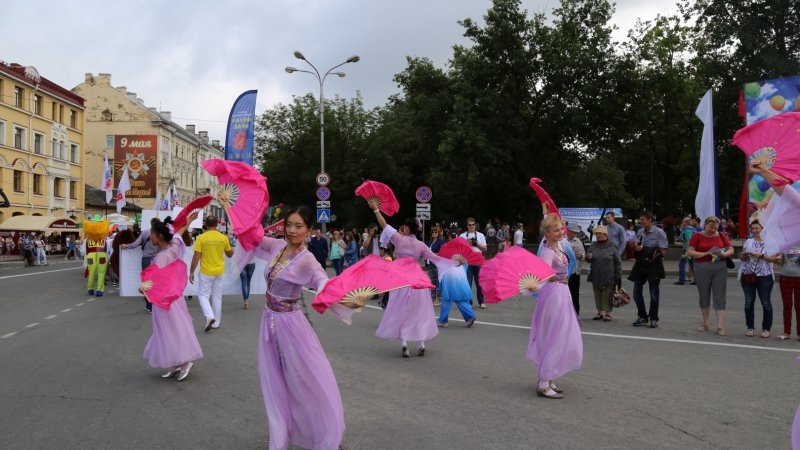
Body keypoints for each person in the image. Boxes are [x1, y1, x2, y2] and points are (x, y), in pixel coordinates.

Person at [247, 206, 344, 450]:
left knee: (304, 382)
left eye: (298, 226)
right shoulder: (277, 246)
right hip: (268, 322)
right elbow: (252, 238)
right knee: (273, 382)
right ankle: (278, 439)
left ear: (308, 230)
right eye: (288, 224)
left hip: (291, 326)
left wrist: (345, 298)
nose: (291, 230)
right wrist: (232, 208)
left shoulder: (307, 260)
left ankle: (321, 431)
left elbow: (322, 282)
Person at [369, 199, 454, 357]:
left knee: (402, 311)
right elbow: (436, 258)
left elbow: (384, 225)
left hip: (400, 280)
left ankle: (404, 343)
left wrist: (376, 210)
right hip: (417, 281)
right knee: (419, 310)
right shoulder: (421, 245)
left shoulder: (399, 240)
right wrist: (456, 261)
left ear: (407, 228)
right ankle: (421, 342)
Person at [141, 214, 203, 382]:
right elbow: (178, 234)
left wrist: (143, 288)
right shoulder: (172, 249)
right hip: (174, 299)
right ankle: (175, 363)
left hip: (165, 301)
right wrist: (188, 222)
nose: (150, 237)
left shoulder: (163, 256)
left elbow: (154, 281)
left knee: (170, 330)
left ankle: (184, 362)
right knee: (171, 329)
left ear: (159, 236)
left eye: (152, 234)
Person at [528, 213, 582, 399]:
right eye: (556, 230)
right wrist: (538, 284)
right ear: (547, 233)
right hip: (553, 296)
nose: (560, 232)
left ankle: (547, 377)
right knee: (553, 337)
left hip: (562, 294)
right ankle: (543, 382)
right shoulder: (548, 252)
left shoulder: (558, 248)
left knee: (558, 336)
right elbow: (542, 274)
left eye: (561, 229)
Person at [686, 216, 734, 336]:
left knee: (720, 295)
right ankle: (706, 323)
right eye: (711, 227)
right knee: (704, 294)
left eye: (715, 228)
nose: (713, 230)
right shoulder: (697, 236)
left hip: (719, 267)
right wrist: (706, 253)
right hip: (701, 268)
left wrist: (723, 255)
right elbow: (689, 252)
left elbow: (731, 249)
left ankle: (720, 326)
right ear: (705, 225)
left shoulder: (722, 235)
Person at [190, 216, 233, 332]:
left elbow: (196, 256)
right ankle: (216, 323)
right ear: (217, 224)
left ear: (205, 224)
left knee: (203, 295)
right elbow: (230, 254)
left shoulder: (201, 238)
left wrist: (191, 271)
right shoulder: (223, 237)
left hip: (206, 272)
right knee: (217, 297)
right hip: (219, 271)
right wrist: (228, 242)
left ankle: (210, 317)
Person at [739, 220, 780, 338]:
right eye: (753, 228)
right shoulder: (748, 241)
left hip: (765, 275)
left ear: (763, 229)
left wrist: (761, 255)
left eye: (757, 228)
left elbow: (775, 259)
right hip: (748, 275)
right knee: (748, 302)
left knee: (765, 302)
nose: (755, 231)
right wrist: (743, 255)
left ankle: (766, 328)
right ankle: (750, 327)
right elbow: (743, 258)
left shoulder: (771, 242)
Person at [629, 211, 668, 328]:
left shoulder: (659, 232)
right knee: (636, 293)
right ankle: (642, 316)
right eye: (640, 220)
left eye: (642, 219)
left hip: (653, 266)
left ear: (650, 219)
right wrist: (635, 247)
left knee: (654, 294)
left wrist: (645, 249)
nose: (640, 222)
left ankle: (654, 318)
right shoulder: (640, 231)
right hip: (641, 265)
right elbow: (637, 245)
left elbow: (663, 251)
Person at [122, 218, 162, 313]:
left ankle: (149, 306)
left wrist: (126, 246)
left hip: (146, 260)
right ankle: (157, 305)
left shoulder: (144, 233)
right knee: (156, 283)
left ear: (151, 224)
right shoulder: (160, 233)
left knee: (147, 283)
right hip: (158, 260)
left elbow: (135, 244)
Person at [586, 225, 621, 321]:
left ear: (605, 234)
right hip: (596, 273)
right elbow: (588, 259)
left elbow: (618, 262)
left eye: (600, 233)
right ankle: (599, 312)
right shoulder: (593, 245)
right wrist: (588, 257)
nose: (598, 235)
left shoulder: (612, 245)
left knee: (608, 294)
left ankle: (608, 314)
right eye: (596, 233)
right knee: (597, 293)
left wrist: (618, 276)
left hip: (609, 274)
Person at [437, 264, 477, 328]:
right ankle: (470, 316)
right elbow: (465, 267)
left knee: (447, 299)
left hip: (449, 275)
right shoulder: (463, 257)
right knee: (460, 298)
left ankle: (443, 321)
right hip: (461, 276)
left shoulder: (446, 256)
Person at [460, 217, 488, 309]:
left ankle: (481, 301)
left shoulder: (480, 235)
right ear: (467, 226)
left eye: (473, 224)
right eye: (469, 225)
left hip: (478, 260)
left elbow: (485, 249)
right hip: (467, 260)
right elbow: (459, 249)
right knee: (467, 283)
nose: (471, 226)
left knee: (479, 282)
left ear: (475, 225)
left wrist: (477, 244)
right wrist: (466, 245)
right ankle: (469, 301)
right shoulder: (462, 236)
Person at [84, 216, 110, 297]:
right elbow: (106, 249)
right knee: (101, 273)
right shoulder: (104, 238)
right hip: (101, 254)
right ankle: (99, 290)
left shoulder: (88, 239)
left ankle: (90, 289)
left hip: (91, 255)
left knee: (91, 273)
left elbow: (86, 250)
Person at [778, 244, 800, 340]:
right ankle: (786, 332)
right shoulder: (784, 244)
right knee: (787, 306)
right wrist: (778, 257)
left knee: (799, 306)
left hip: (799, 278)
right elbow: (779, 262)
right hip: (785, 277)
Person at [565, 223, 585, 316]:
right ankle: (565, 313)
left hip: (576, 271)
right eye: (573, 232)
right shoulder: (562, 240)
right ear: (567, 231)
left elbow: (583, 254)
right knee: (565, 294)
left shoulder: (578, 241)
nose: (574, 234)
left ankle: (576, 313)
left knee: (575, 293)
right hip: (565, 271)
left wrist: (580, 255)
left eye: (575, 233)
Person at [426, 224, 446, 306]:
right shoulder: (430, 242)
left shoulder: (440, 242)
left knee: (437, 282)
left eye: (436, 232)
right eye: (433, 232)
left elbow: (442, 253)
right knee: (432, 282)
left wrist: (433, 254)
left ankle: (439, 299)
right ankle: (433, 298)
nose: (434, 233)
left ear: (438, 233)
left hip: (436, 264)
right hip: (429, 264)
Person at [676, 217, 696, 285]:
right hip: (691, 249)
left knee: (681, 264)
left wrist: (688, 251)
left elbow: (689, 241)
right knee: (692, 264)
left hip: (687, 250)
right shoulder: (689, 229)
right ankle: (697, 280)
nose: (682, 222)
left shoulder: (687, 230)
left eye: (683, 221)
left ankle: (682, 280)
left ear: (686, 223)